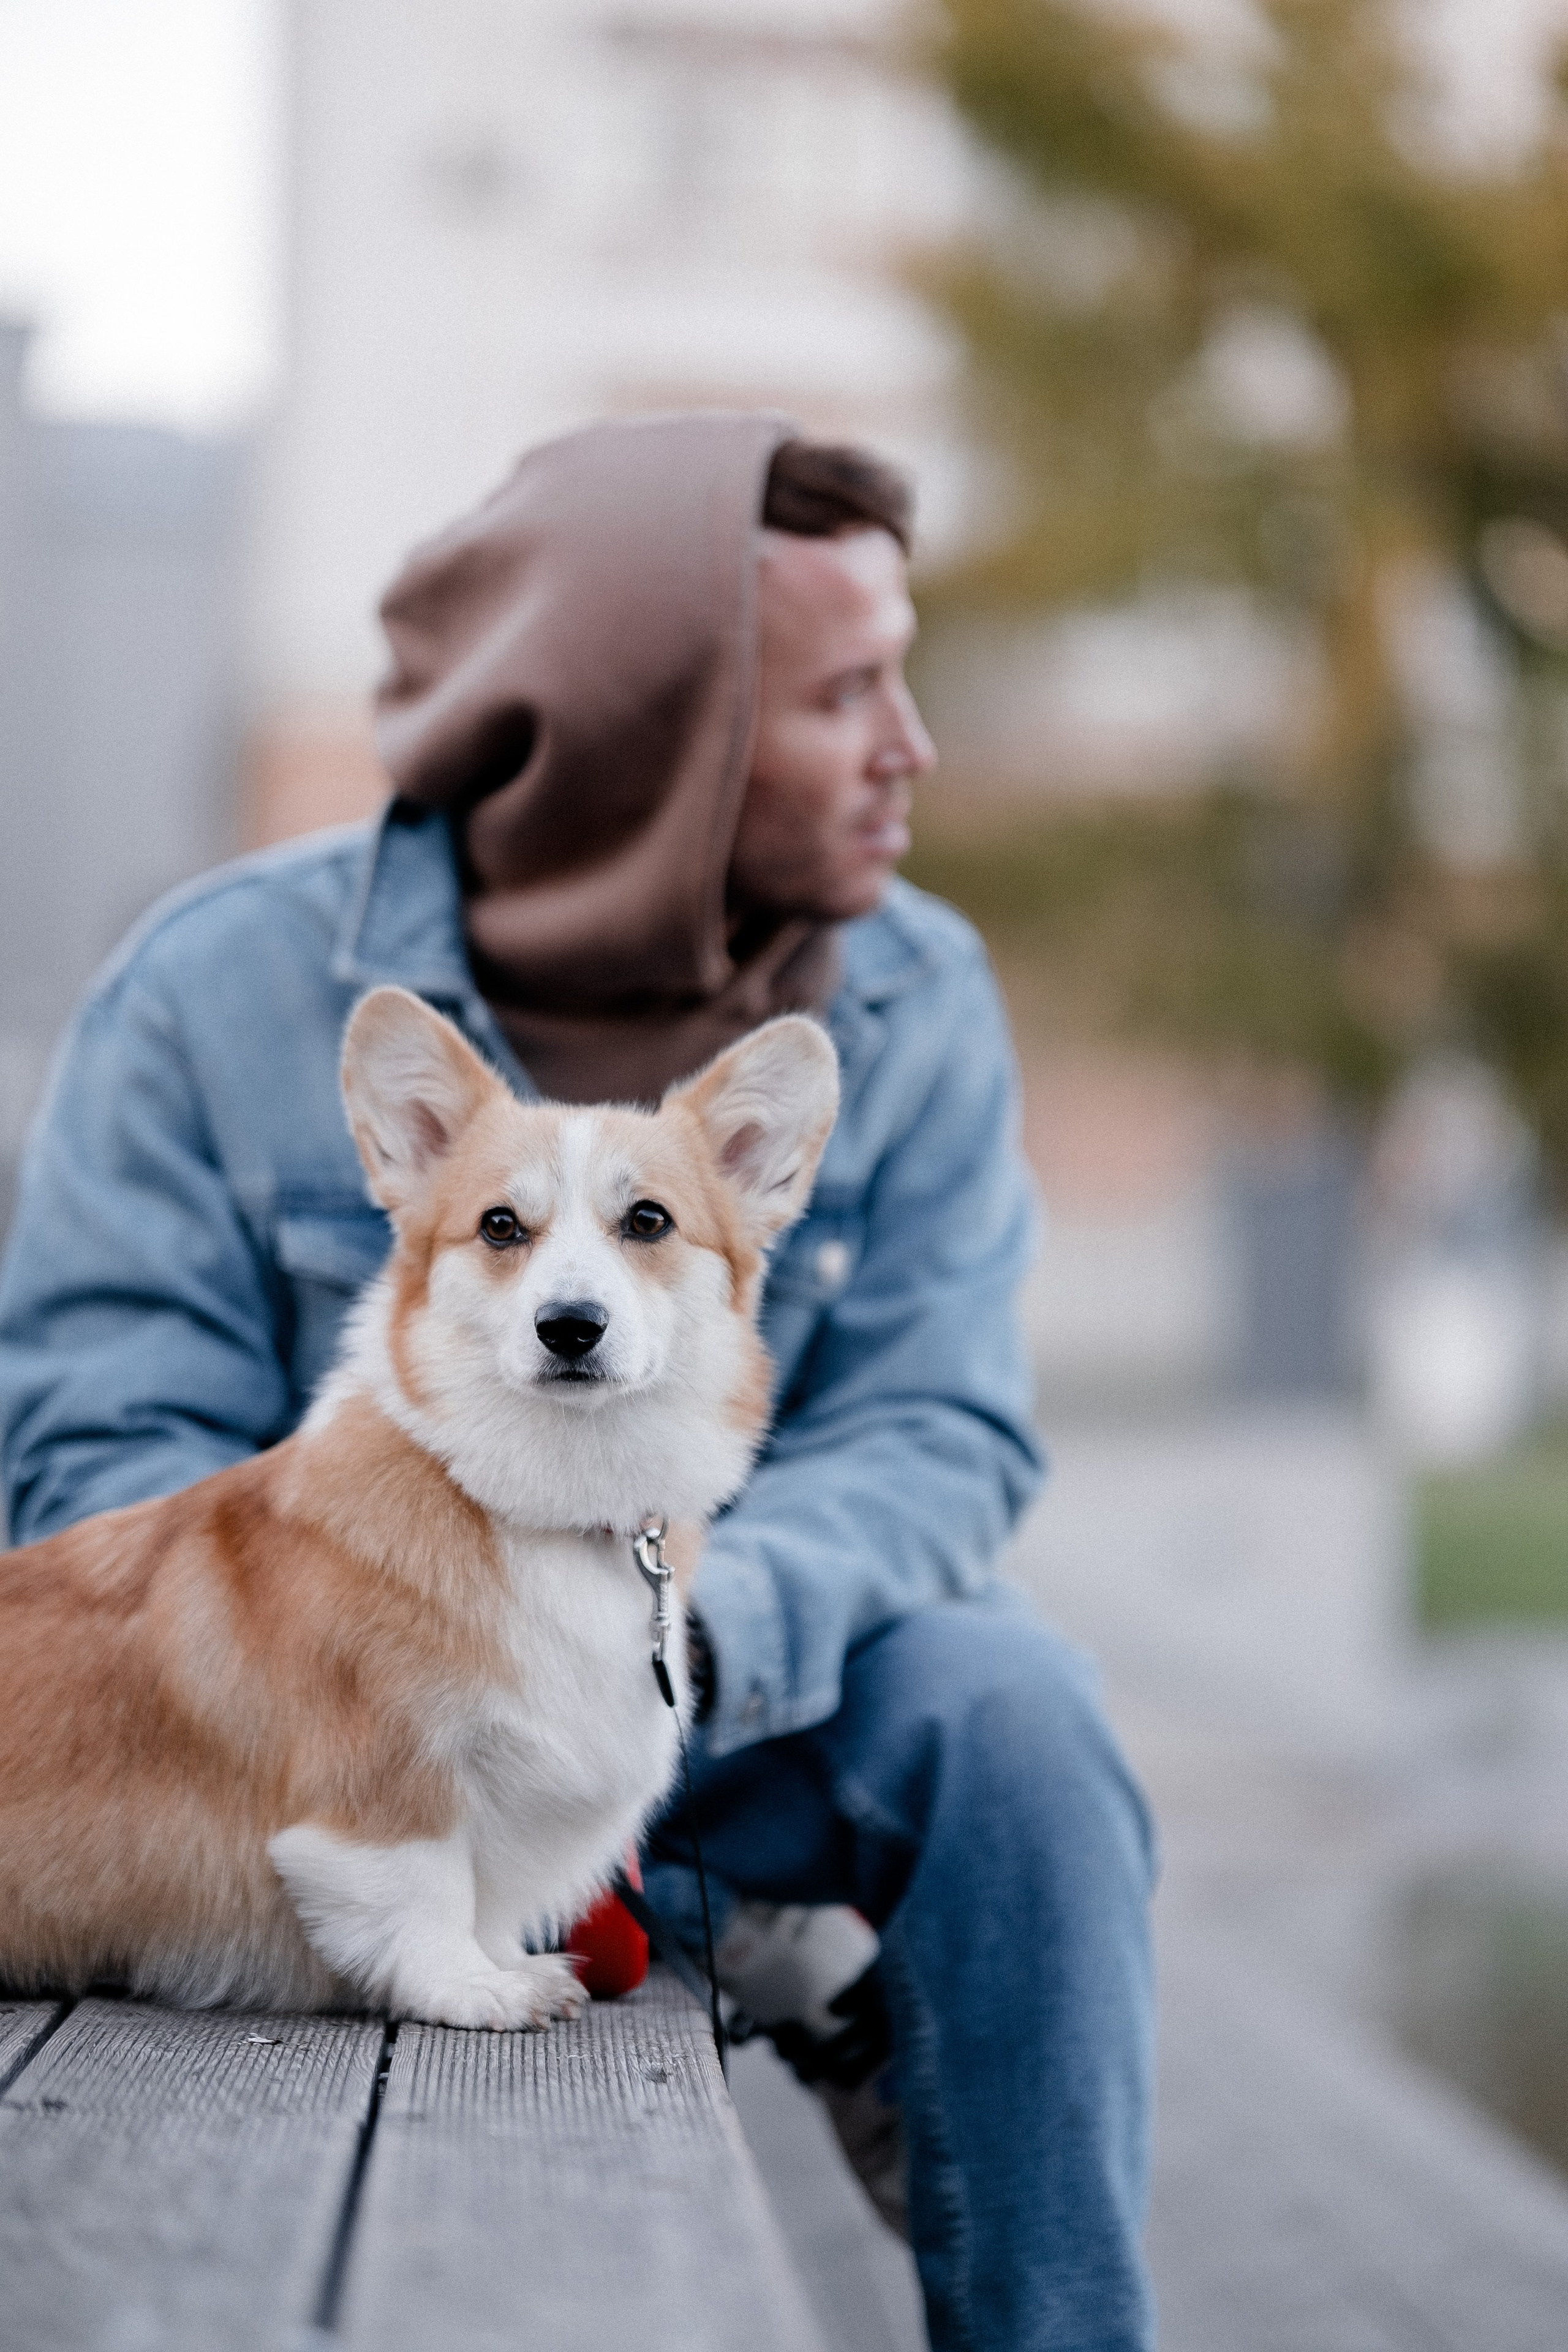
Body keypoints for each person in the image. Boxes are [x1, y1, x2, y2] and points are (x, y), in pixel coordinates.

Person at [0, 413, 1156, 2352]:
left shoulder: (921, 991)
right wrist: (438, 1654)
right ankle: (762, 1959)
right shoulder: (213, 987)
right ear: (655, 736)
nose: (914, 747)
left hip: (730, 1676)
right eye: (848, 695)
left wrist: (667, 1644)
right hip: (346, 1728)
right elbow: (107, 1458)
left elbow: (941, 1429)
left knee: (1017, 1714)